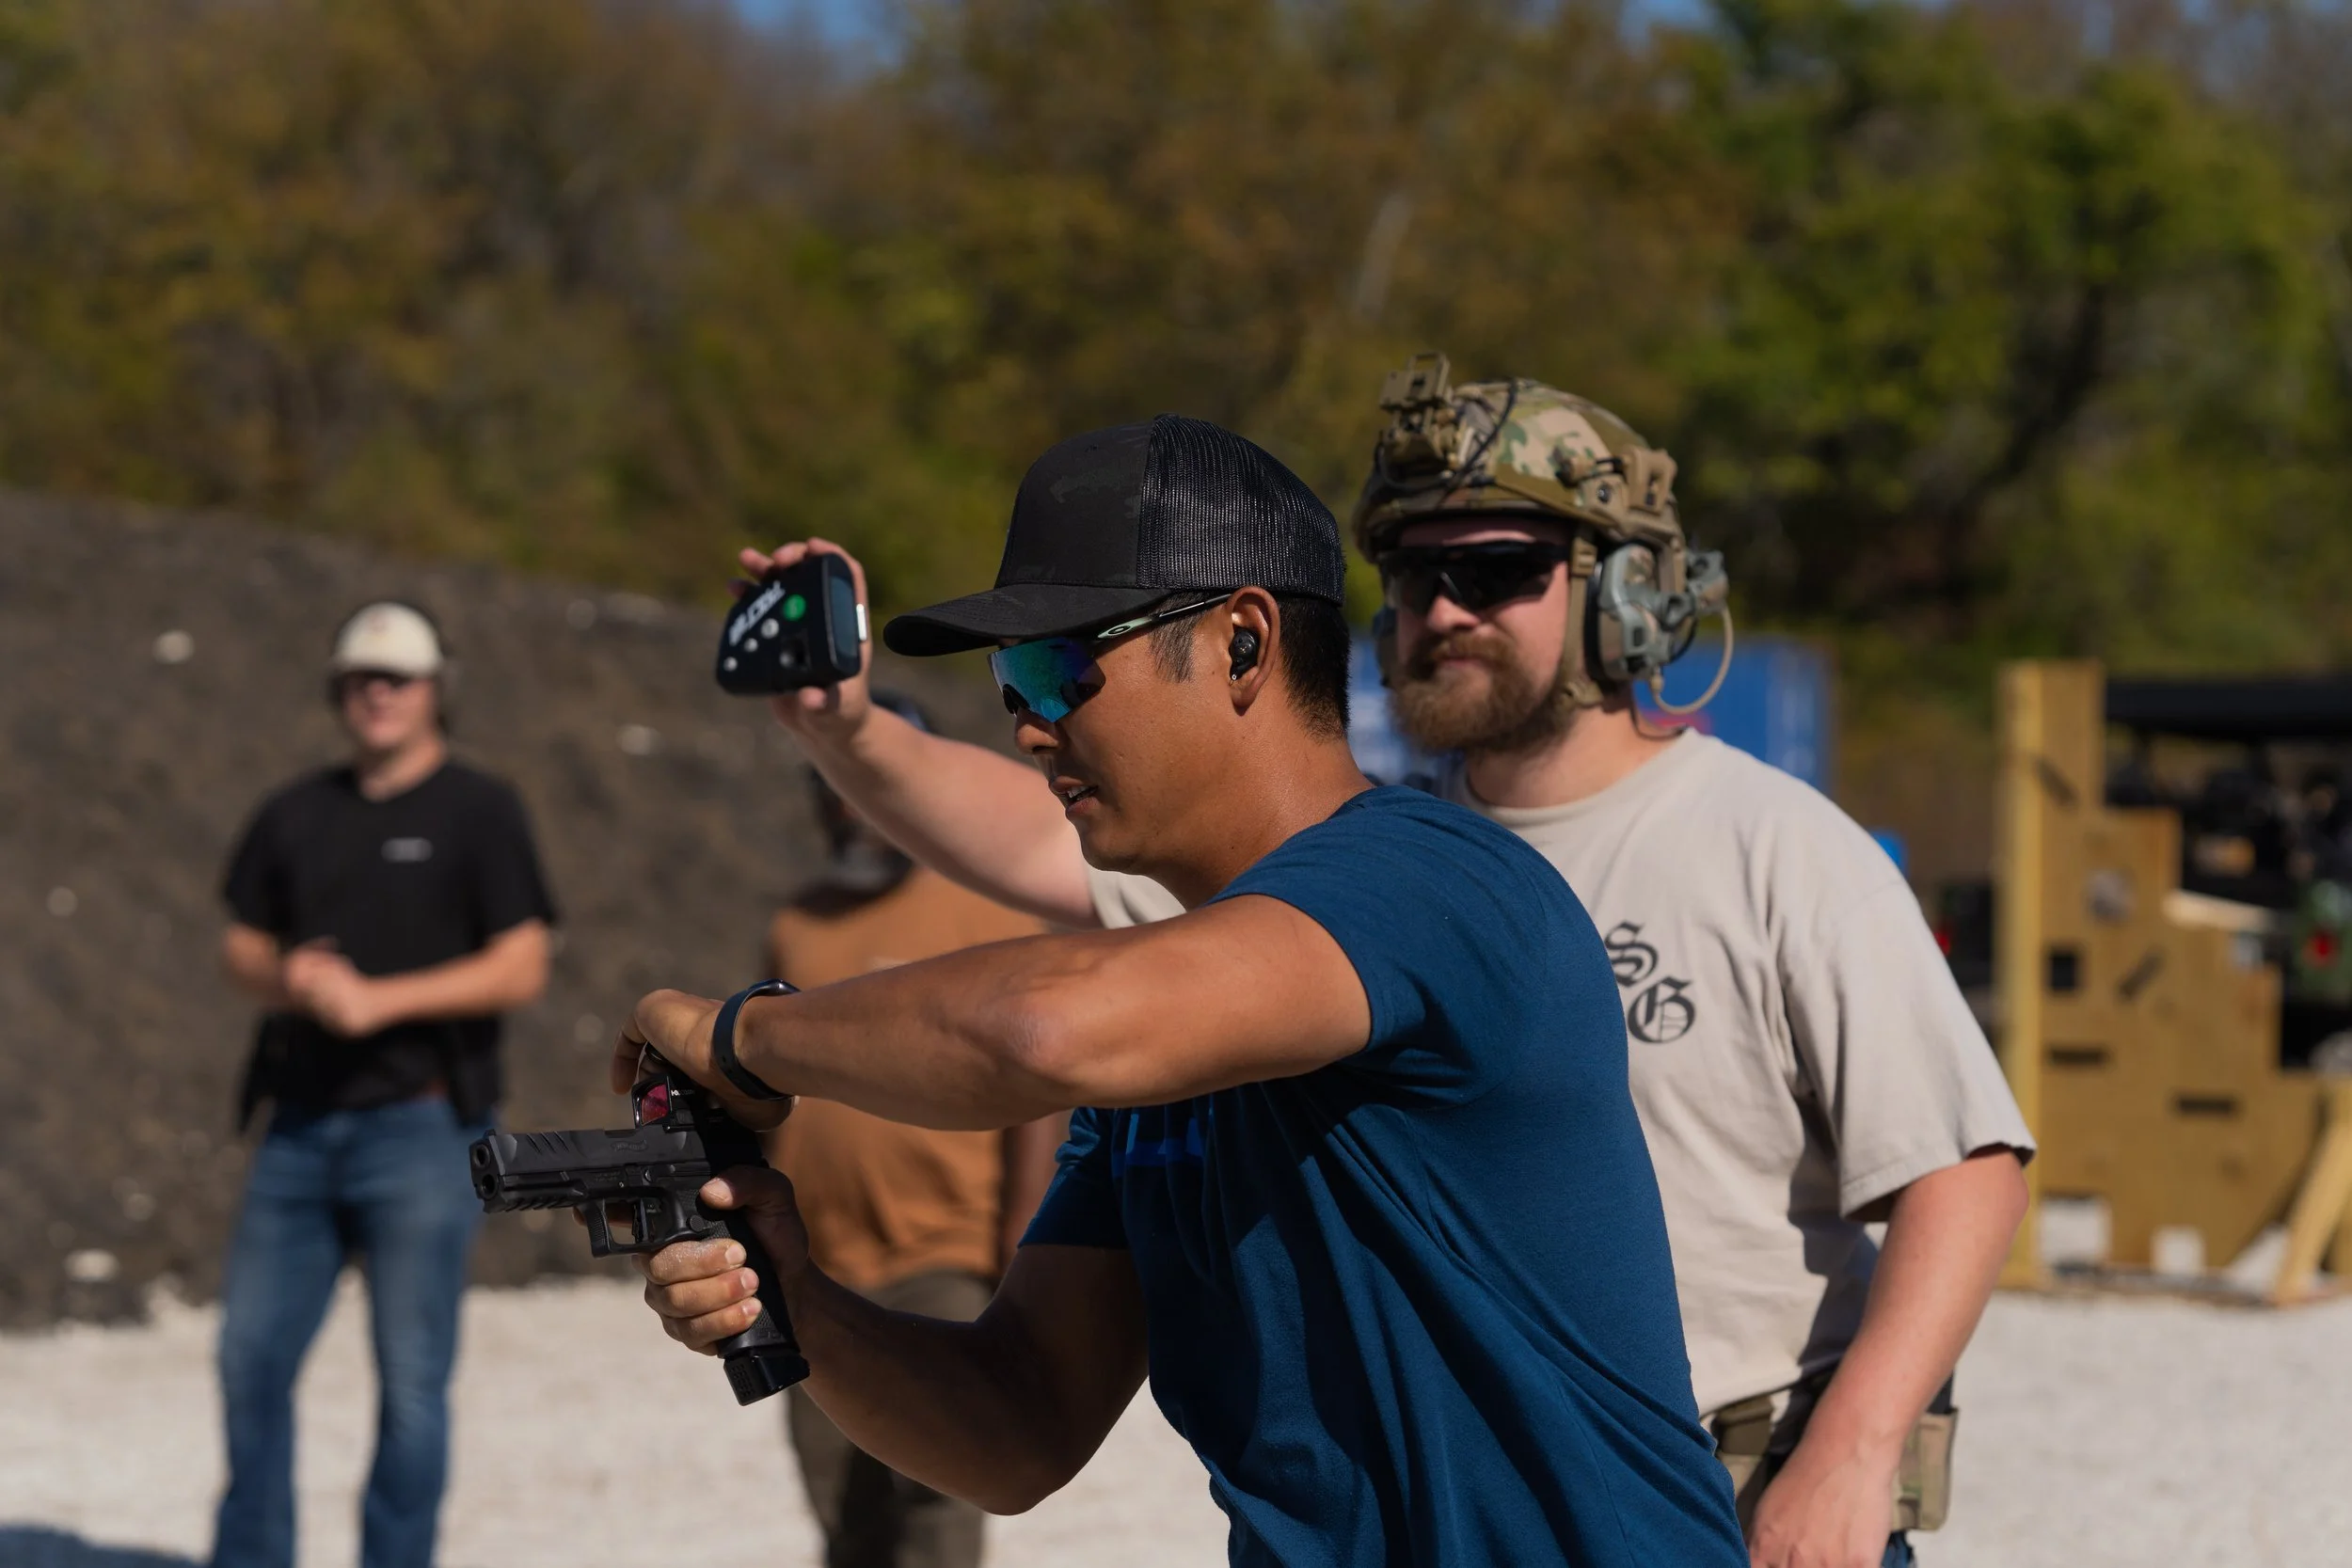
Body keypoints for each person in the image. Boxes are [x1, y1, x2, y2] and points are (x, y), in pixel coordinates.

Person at [728, 366, 2033, 1568]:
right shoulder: (1278, 909)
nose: (1441, 608)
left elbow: (1962, 1167)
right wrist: (847, 731)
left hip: (1748, 1482)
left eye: (1496, 569)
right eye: (1409, 572)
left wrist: (1854, 1449)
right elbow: (1041, 859)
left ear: (1627, 591)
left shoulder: (1735, 845)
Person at [618, 416, 1749, 1567]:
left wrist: (739, 1034)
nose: (1028, 723)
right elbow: (1017, 1425)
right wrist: (794, 1292)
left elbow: (1043, 1028)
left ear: (1242, 643)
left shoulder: (1425, 878)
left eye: (1059, 666)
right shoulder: (1167, 1038)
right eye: (1011, 678)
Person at [211, 601, 556, 1568]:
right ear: (338, 690)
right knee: (248, 1359)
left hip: (425, 1130)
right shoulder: (294, 810)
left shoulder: (482, 810)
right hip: (298, 1128)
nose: (379, 693)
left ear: (437, 688)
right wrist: (289, 977)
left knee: (410, 1385)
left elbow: (524, 963)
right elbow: (240, 943)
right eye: (362, 678)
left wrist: (380, 1001)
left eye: (398, 677)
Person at [766, 693, 1065, 1568]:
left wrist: (1022, 1241)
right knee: (840, 1502)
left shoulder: (989, 908)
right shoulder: (798, 924)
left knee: (940, 1495)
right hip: (818, 1259)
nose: (853, 802)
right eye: (836, 781)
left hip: (944, 1253)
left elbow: (1036, 1091)